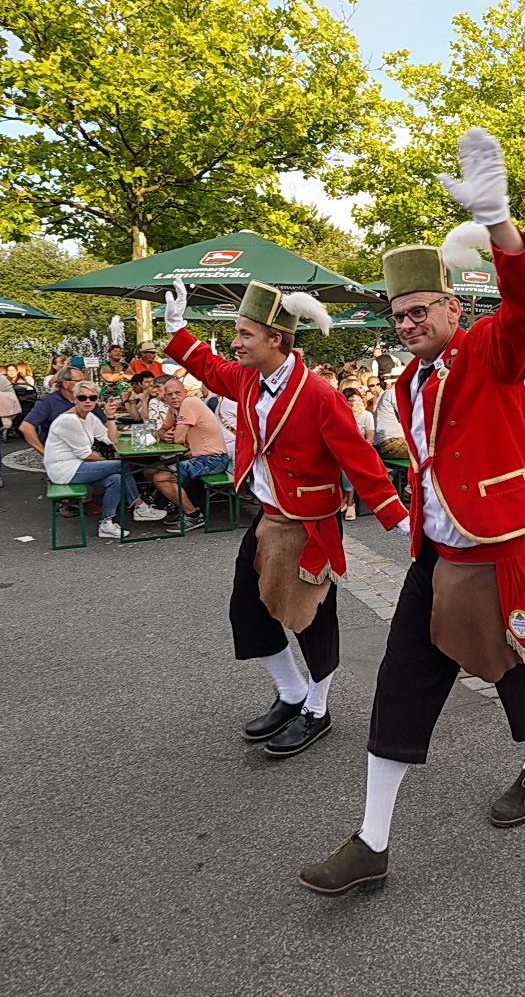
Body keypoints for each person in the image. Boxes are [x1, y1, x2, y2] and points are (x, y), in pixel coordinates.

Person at [300, 128, 525, 895]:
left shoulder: (488, 350)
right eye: (399, 315)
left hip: (499, 546)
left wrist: (499, 222)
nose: (409, 323)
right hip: (437, 553)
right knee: (401, 683)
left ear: (453, 304)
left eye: (420, 310)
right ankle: (372, 841)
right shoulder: (406, 385)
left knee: (522, 667)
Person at [163, 277, 404, 762]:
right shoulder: (248, 378)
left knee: (313, 621)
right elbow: (210, 369)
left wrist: (394, 515)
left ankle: (318, 710)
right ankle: (292, 693)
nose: (235, 342)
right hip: (268, 519)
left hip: (312, 523)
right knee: (246, 611)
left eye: (244, 334)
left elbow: (359, 457)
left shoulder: (318, 393)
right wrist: (177, 330)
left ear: (276, 338)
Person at [133, 375, 230, 532]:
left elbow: (178, 439)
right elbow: (162, 431)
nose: (173, 397)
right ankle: (172, 504)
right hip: (197, 457)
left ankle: (193, 515)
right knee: (149, 472)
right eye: (169, 394)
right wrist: (166, 435)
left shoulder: (189, 402)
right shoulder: (174, 407)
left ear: (185, 392)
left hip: (213, 459)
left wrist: (173, 436)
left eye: (177, 393)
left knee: (161, 477)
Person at [44, 381, 134, 540]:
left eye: (92, 397)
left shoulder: (89, 417)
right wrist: (107, 463)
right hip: (64, 470)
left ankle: (106, 523)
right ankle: (140, 505)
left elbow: (110, 439)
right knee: (122, 466)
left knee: (116, 479)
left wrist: (110, 417)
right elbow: (86, 455)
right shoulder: (69, 420)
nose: (88, 401)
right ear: (74, 399)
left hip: (77, 467)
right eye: (83, 397)